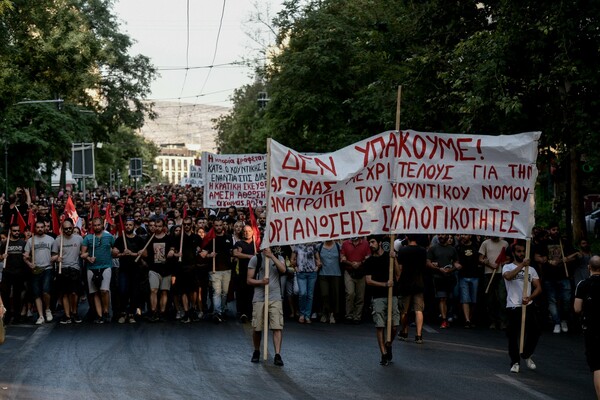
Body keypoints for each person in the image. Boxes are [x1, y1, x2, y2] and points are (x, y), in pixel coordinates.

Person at [503, 241, 542, 373]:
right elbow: (508, 277)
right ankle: (515, 362)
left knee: (535, 331)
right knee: (513, 335)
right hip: (513, 305)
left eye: (523, 251)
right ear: (514, 253)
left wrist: (530, 297)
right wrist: (522, 265)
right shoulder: (507, 267)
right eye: (518, 251)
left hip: (527, 305)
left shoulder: (531, 269)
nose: (521, 254)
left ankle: (526, 355)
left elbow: (538, 287)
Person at [247, 247, 286, 366]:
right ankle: (257, 351)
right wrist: (260, 282)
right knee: (257, 327)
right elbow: (249, 280)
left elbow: (283, 270)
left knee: (277, 326)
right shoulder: (256, 259)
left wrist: (272, 256)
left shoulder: (279, 258)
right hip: (259, 297)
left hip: (275, 297)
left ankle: (277, 355)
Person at [365, 235, 400, 366]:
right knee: (380, 325)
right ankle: (384, 353)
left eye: (373, 242)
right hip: (378, 297)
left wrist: (394, 258)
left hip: (393, 295)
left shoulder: (388, 257)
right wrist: (384, 284)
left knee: (395, 326)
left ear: (379, 243)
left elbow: (398, 274)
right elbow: (368, 281)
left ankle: (388, 343)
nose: (370, 244)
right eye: (369, 242)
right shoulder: (369, 261)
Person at [534, 223, 572, 333]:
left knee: (566, 300)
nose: (556, 231)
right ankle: (556, 322)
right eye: (553, 229)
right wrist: (544, 260)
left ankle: (564, 320)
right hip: (549, 277)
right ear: (549, 230)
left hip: (563, 276)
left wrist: (567, 259)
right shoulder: (544, 243)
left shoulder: (564, 242)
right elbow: (536, 257)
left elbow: (575, 254)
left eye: (557, 229)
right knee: (552, 300)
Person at [574, 255, 600, 399]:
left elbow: (577, 308)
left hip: (592, 328)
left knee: (597, 365)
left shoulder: (583, 284)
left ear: (589, 267)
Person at [81, 217, 116, 324]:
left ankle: (106, 310)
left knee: (104, 290)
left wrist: (115, 252)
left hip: (106, 266)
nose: (96, 227)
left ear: (102, 225)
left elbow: (115, 250)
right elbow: (82, 254)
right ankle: (100, 315)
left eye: (98, 225)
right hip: (91, 268)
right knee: (94, 292)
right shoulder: (87, 238)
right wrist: (87, 258)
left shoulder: (109, 237)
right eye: (94, 225)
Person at [51, 218, 84, 324]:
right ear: (62, 229)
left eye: (70, 228)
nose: (68, 230)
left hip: (75, 269)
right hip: (63, 269)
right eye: (66, 229)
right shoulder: (58, 240)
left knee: (74, 293)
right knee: (64, 293)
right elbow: (52, 256)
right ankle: (67, 315)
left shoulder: (79, 239)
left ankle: (74, 312)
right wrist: (57, 258)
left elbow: (84, 252)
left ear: (73, 227)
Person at [113, 219, 146, 324]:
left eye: (130, 225)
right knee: (123, 291)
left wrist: (133, 253)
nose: (128, 226)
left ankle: (131, 314)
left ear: (134, 226)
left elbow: (145, 254)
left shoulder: (139, 240)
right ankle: (123, 313)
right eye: (126, 225)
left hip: (136, 269)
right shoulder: (119, 239)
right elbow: (114, 254)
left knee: (134, 292)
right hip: (123, 270)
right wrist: (122, 254)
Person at [396, 233, 427, 343]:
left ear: (407, 238)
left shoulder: (403, 251)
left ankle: (404, 332)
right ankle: (419, 335)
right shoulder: (423, 251)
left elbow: (400, 268)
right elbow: (425, 266)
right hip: (419, 282)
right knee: (419, 310)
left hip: (406, 283)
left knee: (404, 311)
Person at [202, 219, 233, 323]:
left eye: (220, 225)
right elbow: (203, 254)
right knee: (217, 292)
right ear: (213, 226)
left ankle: (222, 310)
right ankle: (217, 312)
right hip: (215, 270)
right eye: (217, 225)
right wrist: (209, 255)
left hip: (227, 269)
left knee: (225, 293)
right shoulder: (211, 239)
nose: (219, 227)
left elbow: (232, 251)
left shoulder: (228, 238)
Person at [24, 221, 55, 324]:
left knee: (46, 291)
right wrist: (29, 263)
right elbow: (25, 256)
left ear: (44, 228)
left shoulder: (50, 239)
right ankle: (41, 316)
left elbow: (55, 253)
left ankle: (47, 309)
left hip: (47, 268)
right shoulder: (30, 240)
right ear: (35, 228)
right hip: (35, 269)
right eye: (38, 227)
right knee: (36, 293)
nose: (40, 229)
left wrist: (54, 257)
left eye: (42, 227)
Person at [427, 233, 461, 328]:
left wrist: (453, 268)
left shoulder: (452, 249)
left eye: (443, 235)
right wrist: (437, 269)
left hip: (450, 278)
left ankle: (447, 315)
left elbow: (456, 262)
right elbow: (427, 262)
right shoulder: (433, 248)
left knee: (450, 298)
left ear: (447, 236)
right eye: (439, 235)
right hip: (438, 277)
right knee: (442, 298)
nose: (441, 237)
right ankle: (444, 320)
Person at [479, 236, 510, 330]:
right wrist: (489, 264)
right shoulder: (485, 243)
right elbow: (480, 259)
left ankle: (503, 321)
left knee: (502, 297)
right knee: (490, 298)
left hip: (501, 273)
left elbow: (508, 258)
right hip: (489, 274)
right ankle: (493, 321)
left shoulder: (505, 243)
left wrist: (504, 262)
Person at [0, 224, 28, 324]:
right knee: (5, 294)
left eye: (18, 231)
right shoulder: (4, 243)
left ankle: (16, 315)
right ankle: (7, 314)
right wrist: (2, 257)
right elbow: (0, 257)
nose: (17, 232)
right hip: (7, 272)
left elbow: (27, 256)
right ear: (10, 231)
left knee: (17, 295)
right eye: (14, 231)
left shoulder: (23, 243)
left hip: (19, 272)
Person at [145, 218, 171, 321]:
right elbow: (146, 254)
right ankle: (153, 312)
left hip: (166, 269)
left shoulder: (169, 238)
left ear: (163, 227)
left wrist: (172, 250)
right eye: (156, 226)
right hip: (153, 269)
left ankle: (162, 312)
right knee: (153, 290)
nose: (157, 228)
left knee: (164, 291)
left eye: (160, 226)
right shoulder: (149, 238)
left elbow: (173, 248)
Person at [340, 237, 371, 324]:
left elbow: (368, 257)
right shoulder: (345, 243)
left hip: (361, 272)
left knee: (360, 295)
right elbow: (342, 257)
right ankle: (349, 315)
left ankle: (357, 316)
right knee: (350, 293)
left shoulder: (365, 243)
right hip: (349, 271)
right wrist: (351, 264)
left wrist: (360, 263)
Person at [290, 242, 321, 324]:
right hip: (301, 273)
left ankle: (307, 315)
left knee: (310, 295)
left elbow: (318, 259)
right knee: (303, 293)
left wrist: (317, 268)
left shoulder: (313, 246)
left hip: (312, 273)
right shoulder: (297, 245)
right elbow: (292, 259)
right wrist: (296, 268)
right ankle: (302, 314)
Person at [456, 234, 481, 328]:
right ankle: (467, 320)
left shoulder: (476, 246)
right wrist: (456, 264)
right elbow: (455, 259)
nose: (463, 236)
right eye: (462, 234)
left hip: (475, 275)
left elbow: (480, 258)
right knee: (465, 298)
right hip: (463, 276)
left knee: (474, 300)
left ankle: (470, 318)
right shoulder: (458, 247)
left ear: (470, 236)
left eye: (465, 234)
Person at [232, 225, 256, 323]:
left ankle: (251, 313)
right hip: (242, 272)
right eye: (245, 231)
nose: (247, 233)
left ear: (252, 232)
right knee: (242, 293)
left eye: (249, 231)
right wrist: (250, 256)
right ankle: (243, 313)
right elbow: (236, 253)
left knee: (252, 294)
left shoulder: (256, 244)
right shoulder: (239, 243)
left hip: (255, 273)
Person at [317, 240, 342, 324]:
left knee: (334, 295)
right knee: (324, 294)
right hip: (323, 274)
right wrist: (317, 261)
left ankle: (332, 314)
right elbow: (314, 255)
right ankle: (325, 313)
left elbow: (343, 255)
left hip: (336, 274)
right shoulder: (319, 246)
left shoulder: (338, 246)